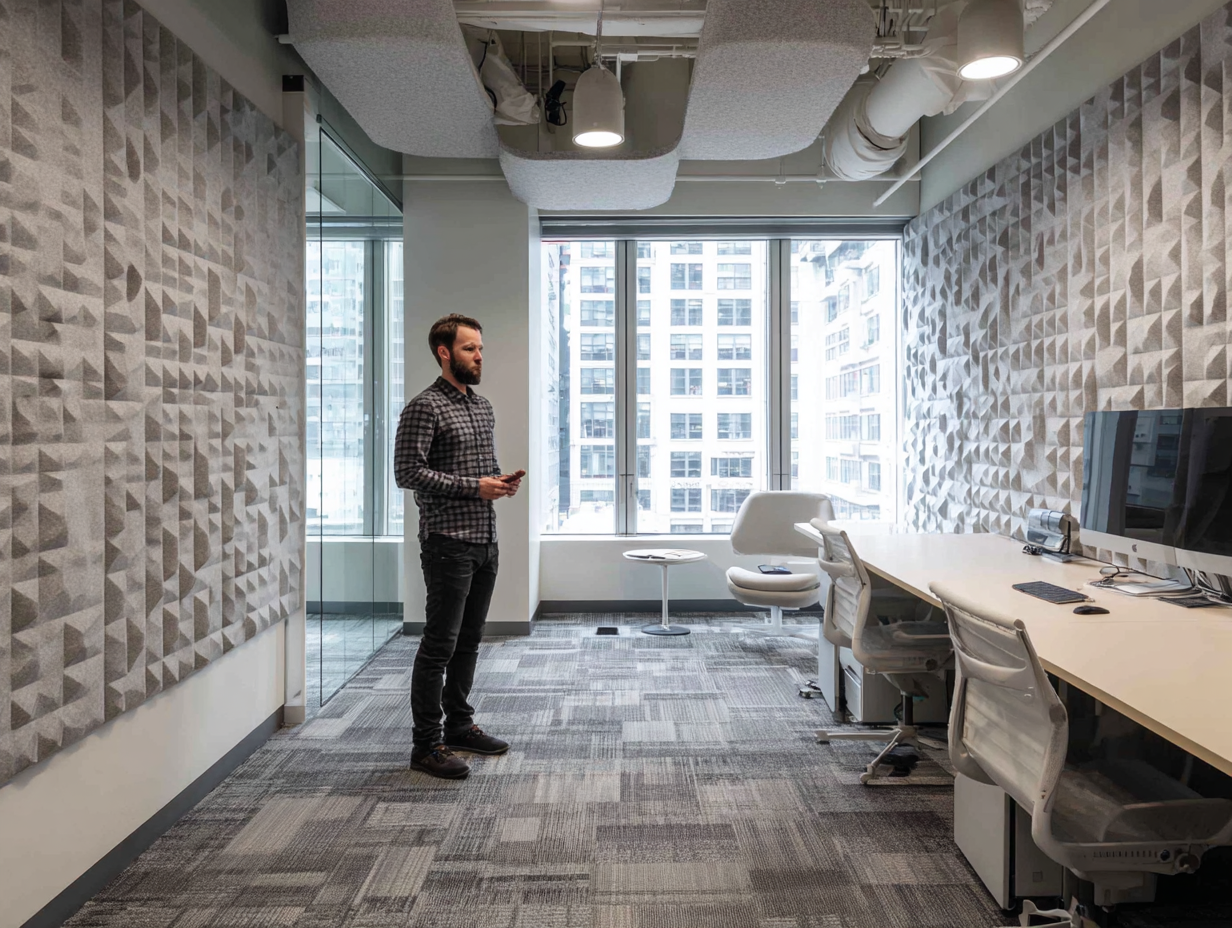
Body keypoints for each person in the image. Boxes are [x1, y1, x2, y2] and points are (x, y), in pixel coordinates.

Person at [393, 314, 524, 779]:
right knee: (439, 645)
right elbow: (407, 473)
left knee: (469, 641)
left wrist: (499, 483)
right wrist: (475, 487)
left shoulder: (481, 406)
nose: (479, 356)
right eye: (470, 349)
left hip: (484, 540)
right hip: (447, 542)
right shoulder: (424, 407)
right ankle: (426, 745)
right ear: (444, 352)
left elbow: (476, 471)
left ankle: (460, 725)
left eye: (480, 348)